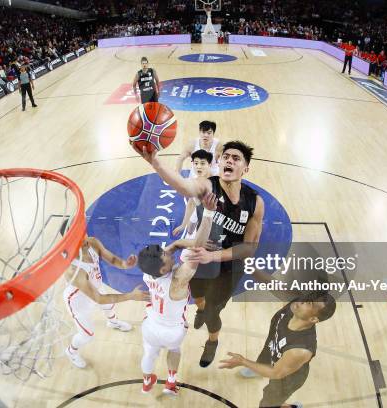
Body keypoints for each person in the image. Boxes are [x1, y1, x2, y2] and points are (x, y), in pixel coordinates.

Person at [136, 140, 265, 368]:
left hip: (229, 265)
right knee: (197, 295)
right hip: (199, 255)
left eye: (236, 159)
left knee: (215, 311)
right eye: (226, 157)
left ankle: (212, 340)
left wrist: (214, 256)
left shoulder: (255, 202)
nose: (229, 160)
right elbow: (184, 186)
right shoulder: (207, 185)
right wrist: (155, 163)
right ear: (219, 162)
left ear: (246, 168)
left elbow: (249, 248)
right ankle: (201, 309)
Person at [137, 192, 217, 396]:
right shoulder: (178, 279)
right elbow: (198, 248)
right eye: (165, 254)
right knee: (174, 351)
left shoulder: (149, 272)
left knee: (149, 352)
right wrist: (208, 212)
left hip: (151, 325)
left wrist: (175, 245)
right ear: (164, 269)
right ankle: (170, 383)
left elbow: (169, 251)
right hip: (172, 330)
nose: (167, 250)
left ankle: (146, 383)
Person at [219, 293, 336, 408]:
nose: (301, 301)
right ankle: (259, 368)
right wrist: (253, 272)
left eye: (308, 303)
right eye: (307, 299)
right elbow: (272, 284)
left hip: (287, 378)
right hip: (274, 347)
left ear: (313, 318)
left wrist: (243, 361)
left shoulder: (300, 349)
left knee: (268, 403)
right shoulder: (295, 306)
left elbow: (276, 373)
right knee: (267, 353)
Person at [63, 233, 149, 368]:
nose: (84, 238)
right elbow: (99, 299)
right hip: (78, 301)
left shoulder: (92, 242)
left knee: (109, 304)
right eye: (79, 237)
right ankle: (71, 352)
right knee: (87, 335)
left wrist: (125, 264)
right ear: (69, 240)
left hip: (94, 286)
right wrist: (130, 296)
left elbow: (113, 260)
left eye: (83, 233)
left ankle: (113, 322)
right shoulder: (73, 269)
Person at [173, 149, 213, 240]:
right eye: (196, 163)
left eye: (202, 163)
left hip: (214, 216)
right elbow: (191, 203)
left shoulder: (216, 182)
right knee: (190, 230)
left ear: (209, 165)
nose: (198, 166)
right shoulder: (194, 180)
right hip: (199, 209)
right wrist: (183, 225)